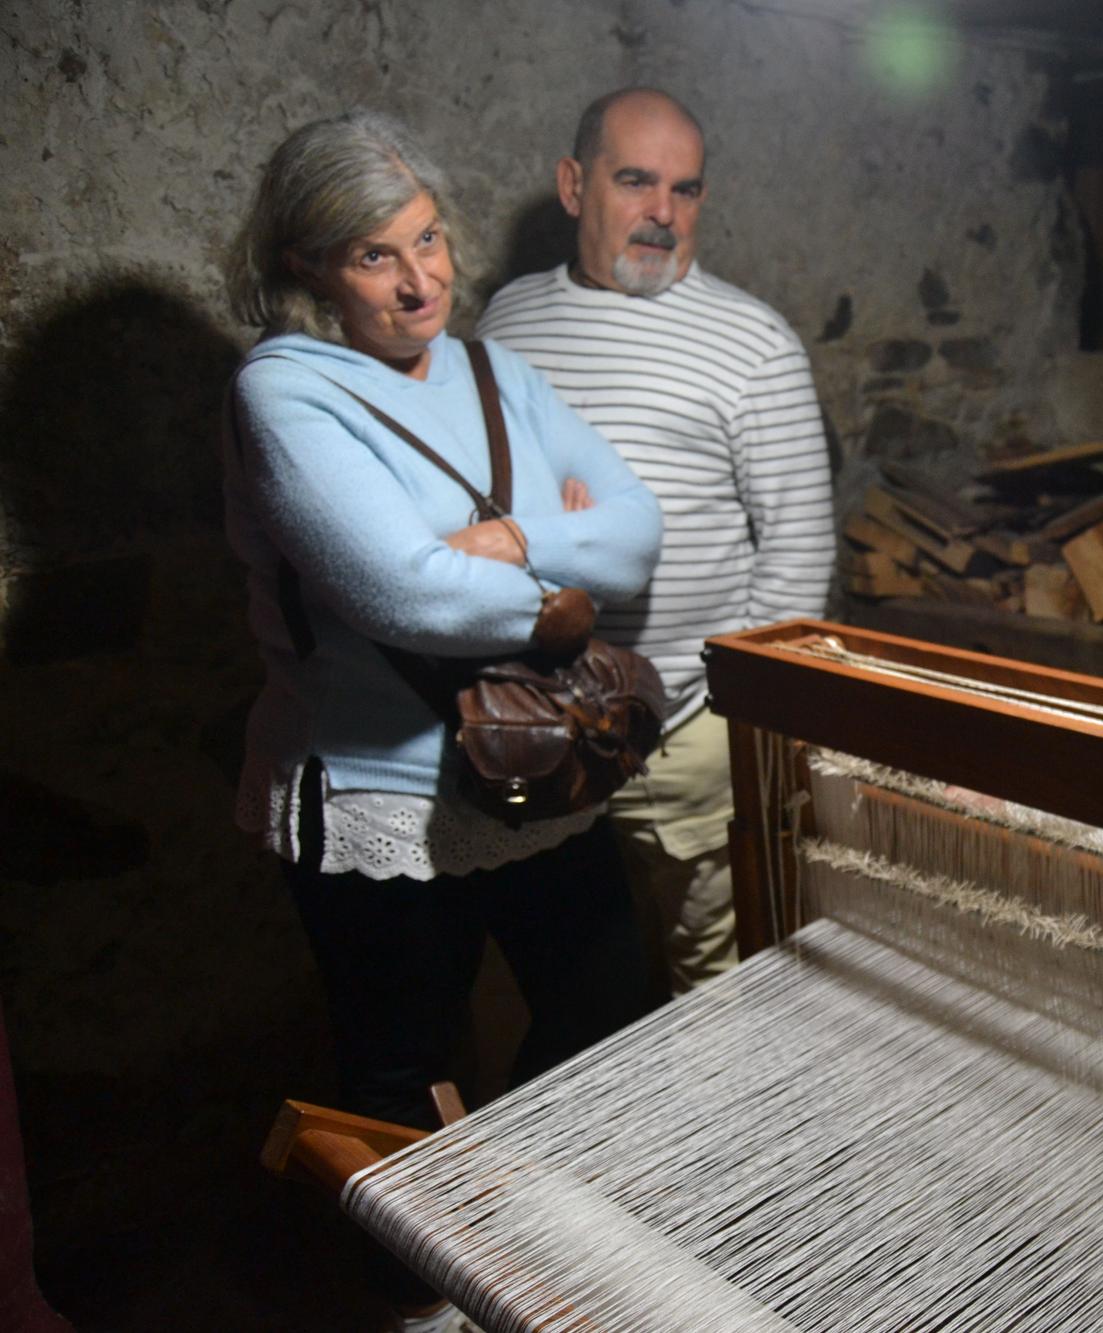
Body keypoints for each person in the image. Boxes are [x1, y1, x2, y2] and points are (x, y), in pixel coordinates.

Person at [224, 110, 662, 1333]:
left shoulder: (490, 371)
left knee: (605, 1016)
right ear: (309, 264)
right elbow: (395, 589)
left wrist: (519, 541)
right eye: (375, 255)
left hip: (534, 772)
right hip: (380, 796)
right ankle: (416, 1307)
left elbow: (638, 530)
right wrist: (562, 603)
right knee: (399, 1078)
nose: (420, 281)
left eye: (427, 241)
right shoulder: (285, 393)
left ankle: (494, 1242)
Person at [478, 87, 835, 998]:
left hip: (685, 737)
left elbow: (797, 559)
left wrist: (725, 715)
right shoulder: (506, 323)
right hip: (538, 726)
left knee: (713, 983)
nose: (662, 214)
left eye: (685, 190)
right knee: (569, 986)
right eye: (635, 181)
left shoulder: (754, 344)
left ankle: (727, 1143)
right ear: (573, 185)